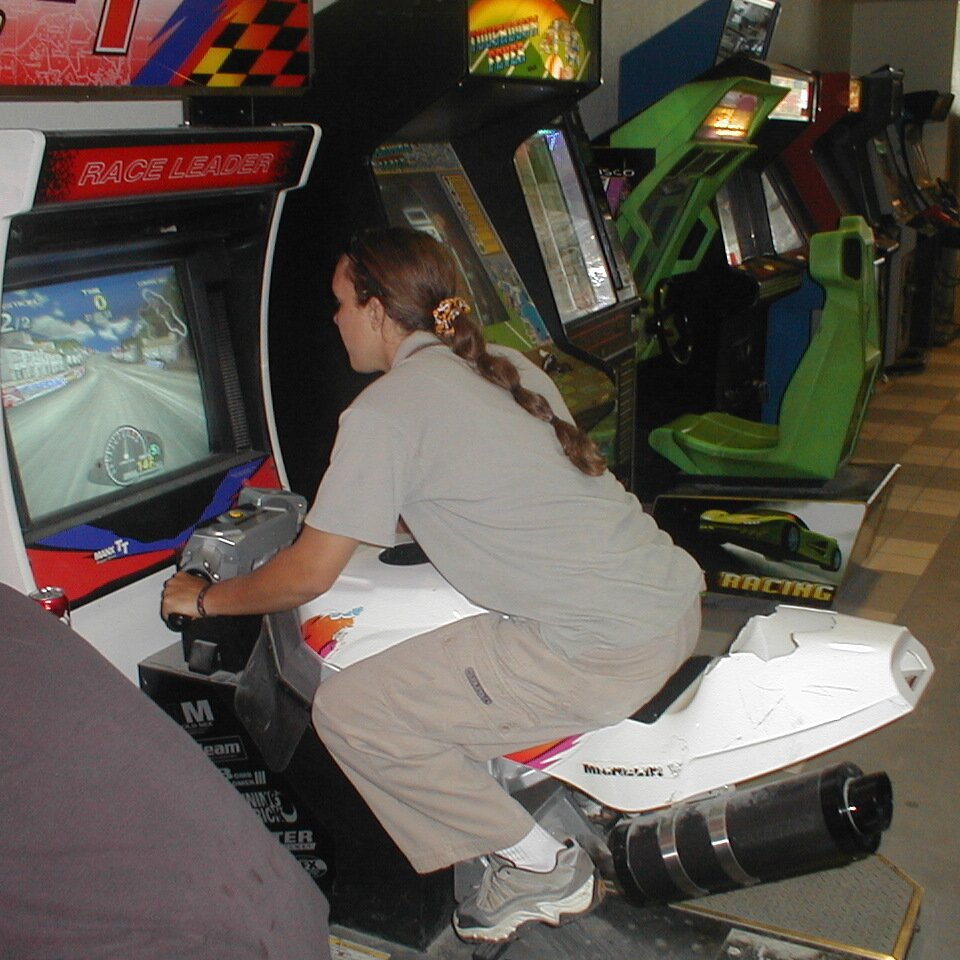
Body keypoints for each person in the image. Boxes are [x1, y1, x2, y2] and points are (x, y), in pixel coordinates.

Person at [162, 226, 705, 943]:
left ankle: (539, 866)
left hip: (600, 650)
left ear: (377, 309)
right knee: (438, 660)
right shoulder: (507, 367)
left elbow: (309, 576)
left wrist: (204, 598)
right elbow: (495, 490)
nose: (335, 319)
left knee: (355, 713)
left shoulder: (385, 411)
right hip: (672, 603)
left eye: (341, 303)